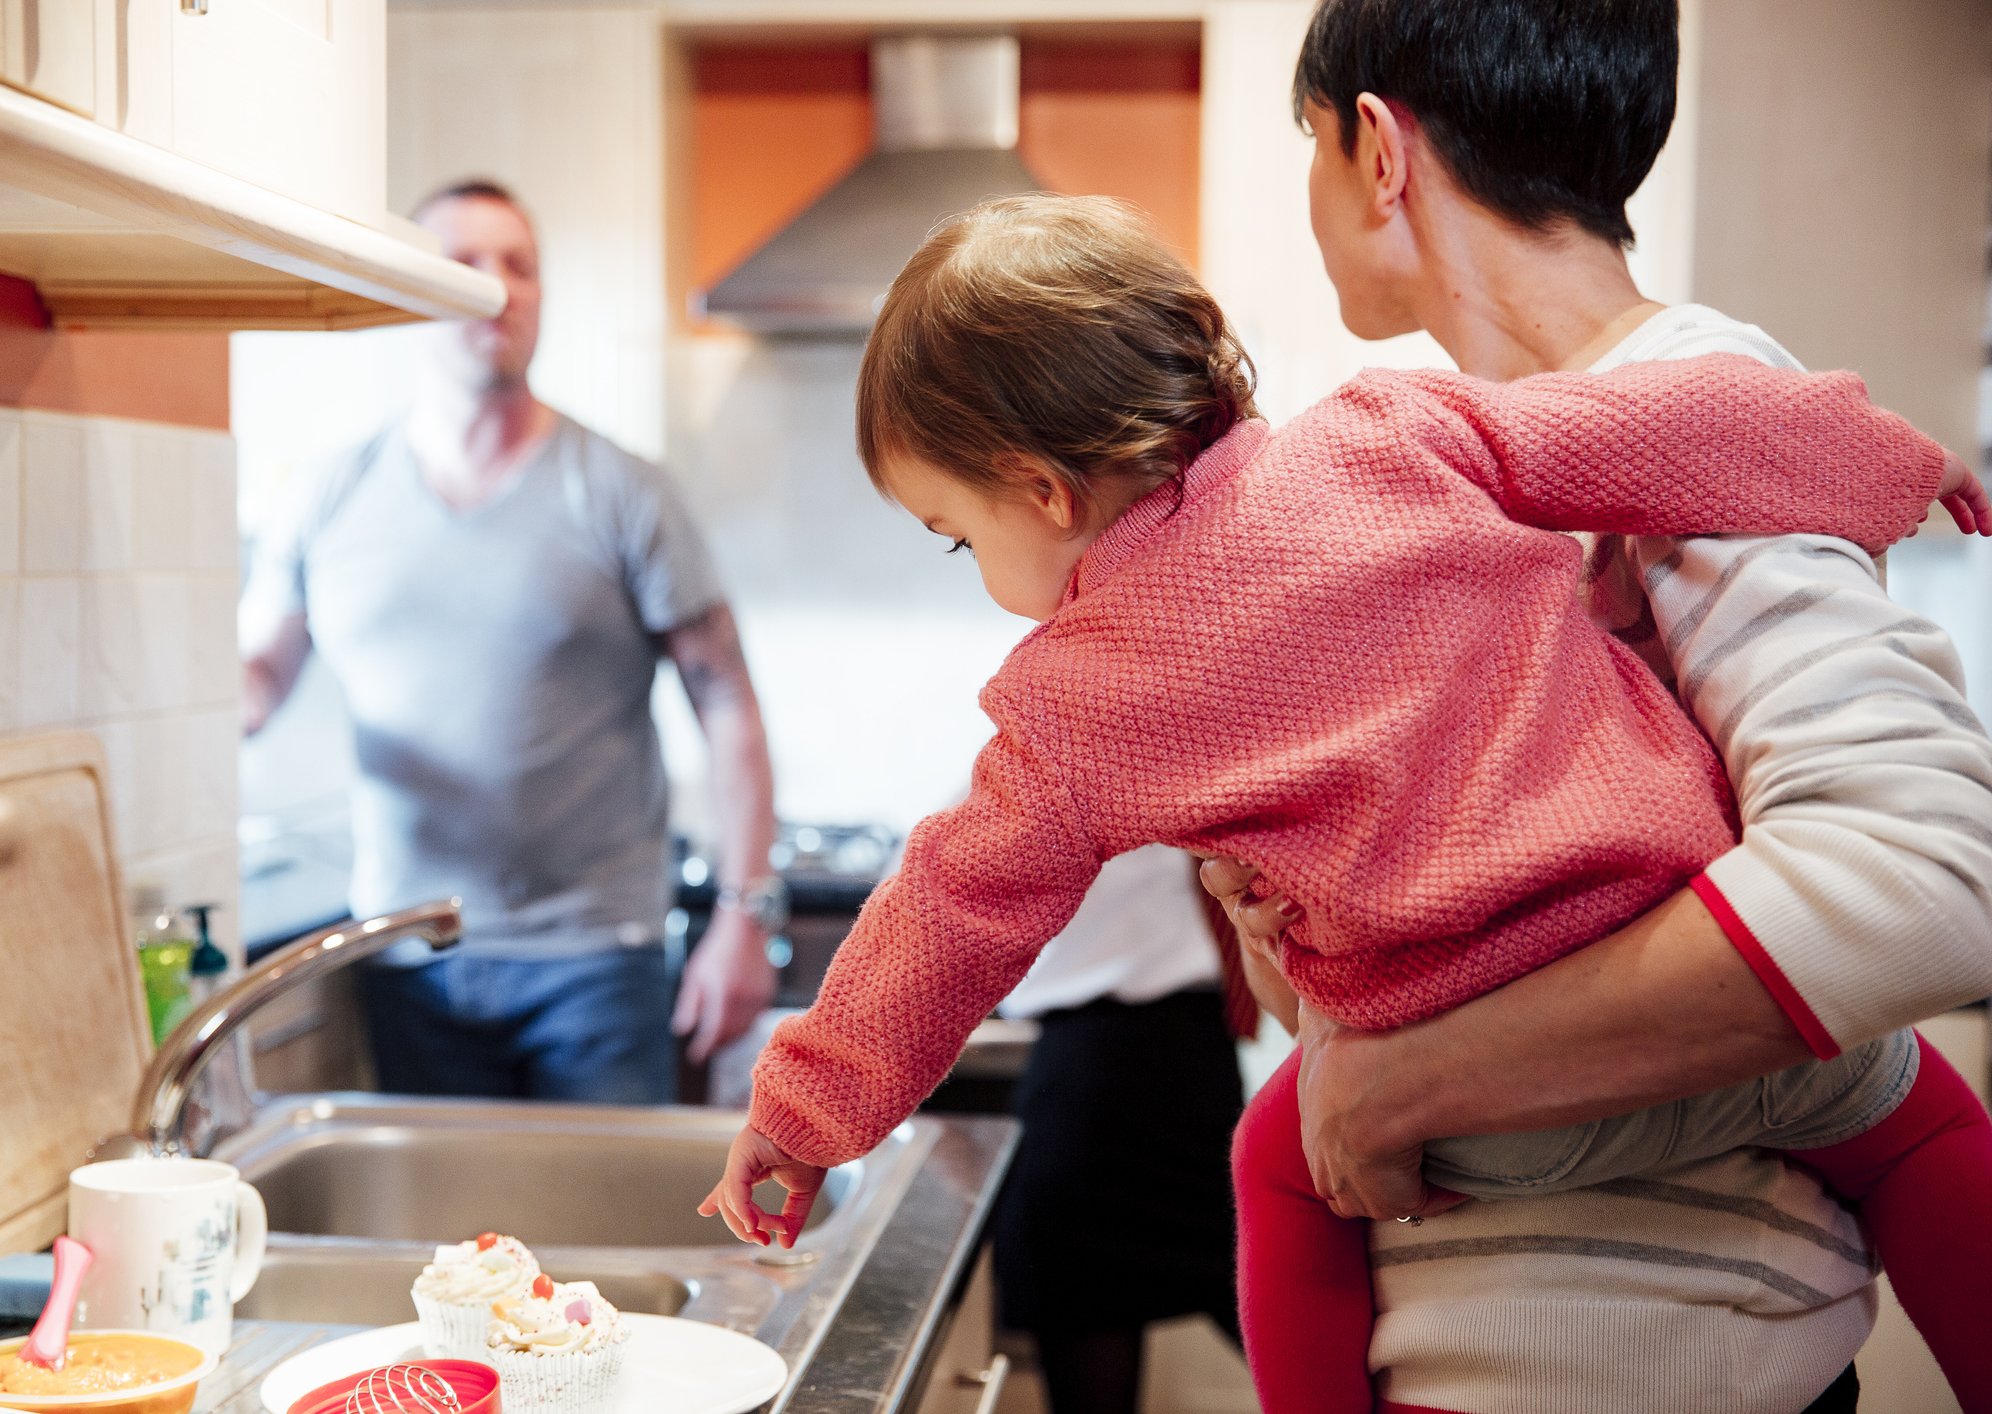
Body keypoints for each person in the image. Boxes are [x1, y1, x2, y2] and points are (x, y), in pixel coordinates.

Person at [696, 187, 1975, 1338]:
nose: (976, 578)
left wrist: (806, 1117)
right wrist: (1888, 460)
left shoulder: (1075, 697)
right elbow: (1670, 433)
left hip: (1480, 1110)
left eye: (951, 536)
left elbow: (950, 911)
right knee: (1921, 1120)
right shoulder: (1388, 427)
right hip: (1704, 989)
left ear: (1039, 492)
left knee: (1272, 1156)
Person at [1195, 3, 1992, 1409]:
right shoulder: (1449, 454)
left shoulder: (1693, 411)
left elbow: (1920, 872)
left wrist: (1415, 1081)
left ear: (1375, 149)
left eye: (1303, 143)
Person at [240, 180, 782, 1102]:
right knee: (443, 1249)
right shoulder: (331, 491)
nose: (500, 287)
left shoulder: (620, 490)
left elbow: (727, 704)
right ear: (411, 292)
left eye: (520, 266)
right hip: (405, 955)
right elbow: (255, 684)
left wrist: (745, 913)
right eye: (466, 264)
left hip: (594, 965)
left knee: (599, 1247)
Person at [991, 847, 1252, 1414]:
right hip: (1102, 1060)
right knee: (1087, 1312)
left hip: (1178, 1053)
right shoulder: (1043, 767)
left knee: (1279, 1295)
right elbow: (921, 890)